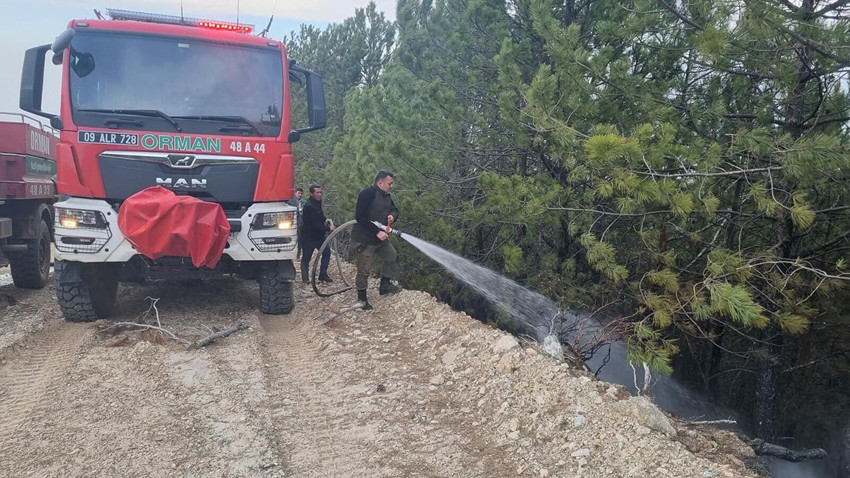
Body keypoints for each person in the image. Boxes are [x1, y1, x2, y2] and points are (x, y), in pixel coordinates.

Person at [352, 170, 401, 310]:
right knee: (364, 269)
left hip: (379, 239)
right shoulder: (367, 194)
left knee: (391, 255)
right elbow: (360, 217)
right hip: (365, 239)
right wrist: (377, 232)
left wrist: (392, 216)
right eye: (389, 183)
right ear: (380, 183)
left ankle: (385, 286)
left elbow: (395, 209)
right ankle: (362, 299)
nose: (391, 186)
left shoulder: (387, 196)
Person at [301, 184, 335, 283]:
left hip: (319, 236)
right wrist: (328, 228)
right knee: (306, 257)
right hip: (309, 237)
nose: (320, 194)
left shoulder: (318, 202)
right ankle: (305, 278)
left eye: (320, 192)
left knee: (326, 252)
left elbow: (320, 216)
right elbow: (314, 224)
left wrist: (326, 219)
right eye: (317, 192)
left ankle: (323, 274)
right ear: (312, 194)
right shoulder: (309, 206)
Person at [287, 188, 304, 259]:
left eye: (301, 193)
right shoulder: (291, 201)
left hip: (299, 225)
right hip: (292, 225)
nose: (300, 195)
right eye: (298, 193)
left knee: (300, 240)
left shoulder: (301, 202)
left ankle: (298, 256)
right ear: (295, 193)